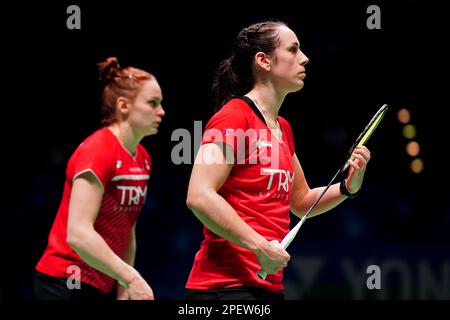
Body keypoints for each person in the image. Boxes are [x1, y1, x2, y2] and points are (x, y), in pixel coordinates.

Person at [185, 21, 371, 300]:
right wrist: (260, 247)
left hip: (266, 287)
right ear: (263, 60)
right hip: (224, 288)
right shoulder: (235, 116)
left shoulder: (282, 128)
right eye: (293, 49)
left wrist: (348, 187)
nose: (305, 58)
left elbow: (302, 201)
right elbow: (199, 196)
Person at [35, 57, 165, 300]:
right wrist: (131, 277)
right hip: (65, 282)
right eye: (152, 103)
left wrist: (123, 286)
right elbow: (78, 232)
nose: (161, 111)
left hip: (103, 281)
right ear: (124, 106)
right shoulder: (98, 150)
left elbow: (128, 228)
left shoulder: (143, 158)